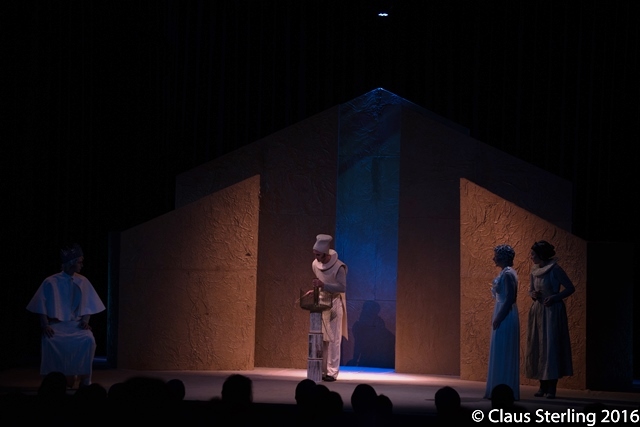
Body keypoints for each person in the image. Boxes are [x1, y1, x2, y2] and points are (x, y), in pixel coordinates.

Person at [26, 244, 106, 388]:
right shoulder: (50, 281)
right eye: (79, 262)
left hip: (76, 325)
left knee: (89, 339)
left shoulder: (83, 281)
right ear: (71, 263)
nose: (82, 265)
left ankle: (85, 379)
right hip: (57, 325)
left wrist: (85, 320)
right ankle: (54, 380)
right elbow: (40, 304)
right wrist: (45, 325)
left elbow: (89, 303)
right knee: (50, 340)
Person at [525, 240, 575, 399]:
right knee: (539, 346)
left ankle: (551, 387)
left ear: (541, 255)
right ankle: (542, 385)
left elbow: (570, 288)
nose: (531, 257)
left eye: (533, 254)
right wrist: (533, 294)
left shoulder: (555, 269)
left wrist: (555, 297)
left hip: (552, 311)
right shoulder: (534, 270)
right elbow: (531, 289)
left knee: (550, 347)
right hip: (538, 310)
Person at [484, 244, 520, 400]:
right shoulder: (505, 272)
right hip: (501, 310)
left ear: (504, 257)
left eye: (496, 256)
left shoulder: (508, 274)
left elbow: (510, 298)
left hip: (505, 313)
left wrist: (499, 317)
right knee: (499, 349)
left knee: (503, 348)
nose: (494, 258)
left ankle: (504, 390)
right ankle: (497, 387)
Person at [311, 234, 348, 382]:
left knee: (333, 338)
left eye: (318, 254)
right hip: (321, 303)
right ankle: (321, 369)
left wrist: (323, 285)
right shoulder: (315, 264)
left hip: (334, 304)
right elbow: (319, 282)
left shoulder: (339, 267)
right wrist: (315, 290)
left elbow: (342, 287)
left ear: (325, 254)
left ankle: (332, 372)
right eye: (315, 254)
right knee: (321, 338)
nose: (316, 257)